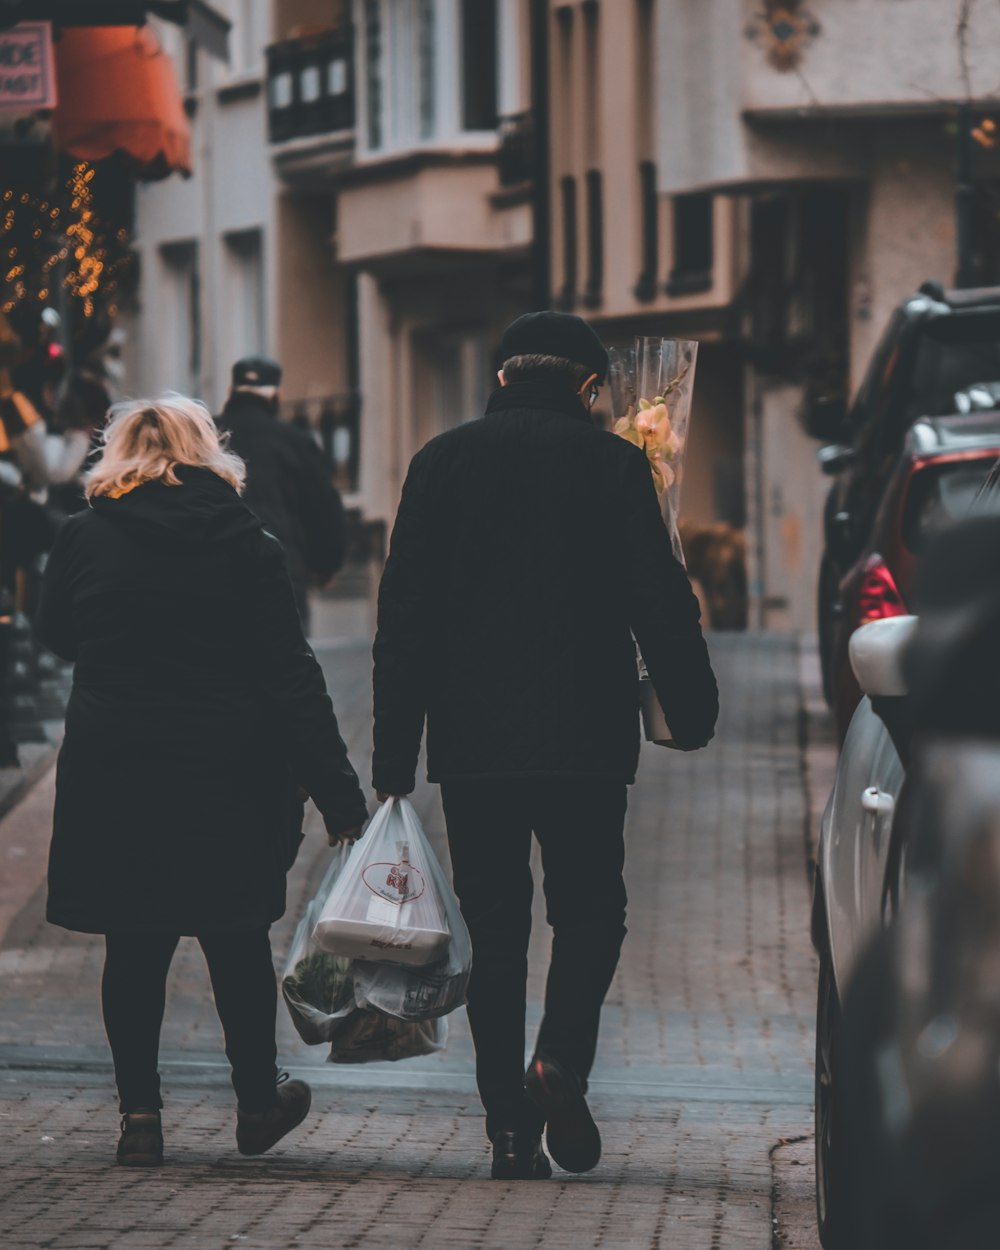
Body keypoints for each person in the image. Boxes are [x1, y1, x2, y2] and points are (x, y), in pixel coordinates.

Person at [371, 311, 719, 1180]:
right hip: (584, 739)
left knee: (494, 928)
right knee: (592, 910)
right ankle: (558, 1058)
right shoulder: (614, 465)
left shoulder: (439, 464)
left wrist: (392, 757)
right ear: (591, 388)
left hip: (473, 741)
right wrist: (693, 708)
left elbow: (402, 618)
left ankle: (510, 1132)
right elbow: (659, 597)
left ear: (500, 379)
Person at [37, 394, 369, 1167]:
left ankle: (140, 1116)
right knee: (235, 934)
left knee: (135, 938)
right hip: (229, 763)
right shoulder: (248, 544)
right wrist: (340, 796)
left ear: (117, 452)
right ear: (206, 452)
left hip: (117, 762)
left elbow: (57, 634)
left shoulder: (84, 538)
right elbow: (291, 674)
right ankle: (257, 1101)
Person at [217, 356, 347, 628]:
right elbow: (323, 506)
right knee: (283, 662)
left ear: (231, 391)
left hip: (214, 571)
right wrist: (326, 564)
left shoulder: (205, 435)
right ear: (277, 394)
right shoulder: (296, 442)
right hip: (282, 571)